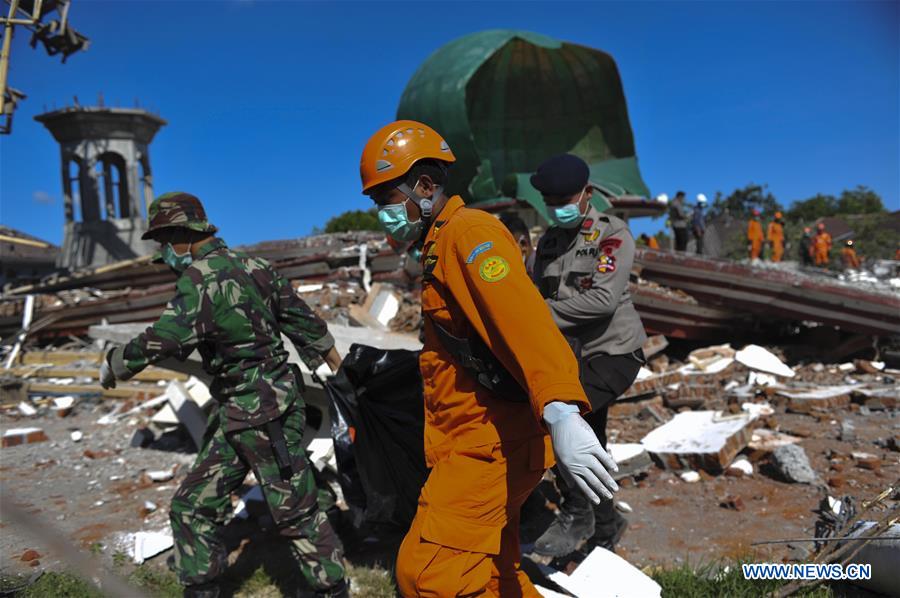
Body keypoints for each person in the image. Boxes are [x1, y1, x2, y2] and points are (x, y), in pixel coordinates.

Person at [359, 121, 618, 597]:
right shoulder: (438, 245)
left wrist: (561, 409)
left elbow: (522, 321)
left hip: (490, 444)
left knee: (427, 577)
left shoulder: (470, 235)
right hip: (469, 437)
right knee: (497, 571)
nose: (384, 213)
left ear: (424, 185)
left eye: (386, 200)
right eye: (376, 203)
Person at [99, 192, 348, 598]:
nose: (165, 254)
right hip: (244, 411)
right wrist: (340, 370)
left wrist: (116, 363)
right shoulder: (257, 266)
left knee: (295, 512)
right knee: (193, 505)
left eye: (164, 243)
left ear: (180, 234)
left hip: (264, 415)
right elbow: (307, 324)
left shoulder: (198, 280)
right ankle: (202, 586)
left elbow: (163, 338)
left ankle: (330, 587)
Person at [529, 154, 647, 557]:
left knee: (563, 420)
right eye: (550, 200)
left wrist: (537, 315)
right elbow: (531, 291)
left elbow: (602, 299)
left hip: (612, 352)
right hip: (570, 357)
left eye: (565, 198)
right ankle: (607, 526)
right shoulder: (547, 242)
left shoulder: (611, 236)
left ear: (587, 195)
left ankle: (578, 513)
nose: (557, 206)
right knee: (589, 439)